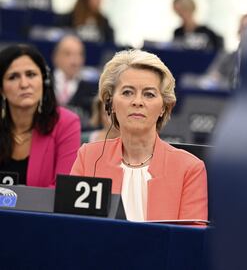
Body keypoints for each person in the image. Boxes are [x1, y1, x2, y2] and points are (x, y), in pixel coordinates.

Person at [71, 49, 208, 223]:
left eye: (149, 94)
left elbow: (191, 243)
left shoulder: (190, 169)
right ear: (110, 103)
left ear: (164, 107)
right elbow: (73, 228)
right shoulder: (88, 157)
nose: (137, 101)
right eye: (127, 92)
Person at [0, 44, 81, 187]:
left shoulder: (66, 123)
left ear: (44, 81)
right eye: (13, 77)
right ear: (2, 89)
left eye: (31, 74)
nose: (24, 84)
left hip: (40, 210)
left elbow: (62, 190)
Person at [52, 34, 98, 128]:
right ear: (56, 57)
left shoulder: (91, 90)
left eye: (79, 55)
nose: (74, 61)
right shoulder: (43, 83)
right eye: (68, 54)